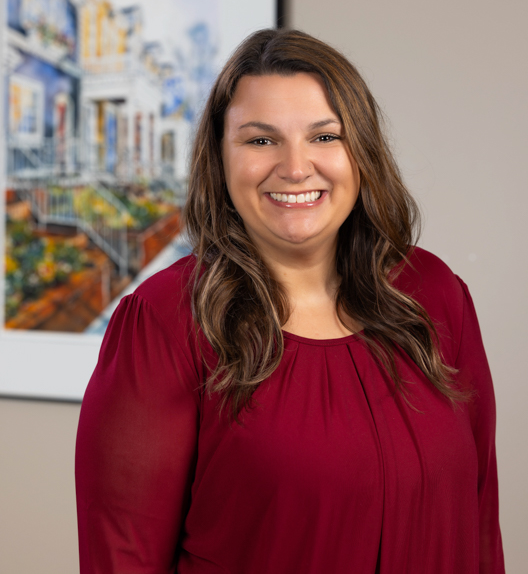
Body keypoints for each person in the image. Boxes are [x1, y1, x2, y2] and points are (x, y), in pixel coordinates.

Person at [75, 28, 505, 573]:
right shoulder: (165, 322)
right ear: (221, 157)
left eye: (324, 137)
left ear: (361, 151)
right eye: (260, 140)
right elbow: (123, 556)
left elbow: (480, 521)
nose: (296, 167)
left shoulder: (436, 296)